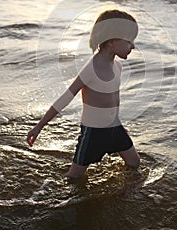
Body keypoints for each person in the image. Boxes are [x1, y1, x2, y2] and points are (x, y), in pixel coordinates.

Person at [27, 9, 140, 180]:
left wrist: (117, 123)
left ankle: (122, 195)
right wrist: (40, 125)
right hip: (93, 133)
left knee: (134, 164)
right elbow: (66, 97)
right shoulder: (91, 69)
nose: (133, 46)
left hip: (115, 127)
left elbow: (114, 100)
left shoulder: (118, 66)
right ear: (111, 42)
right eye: (129, 41)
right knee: (73, 178)